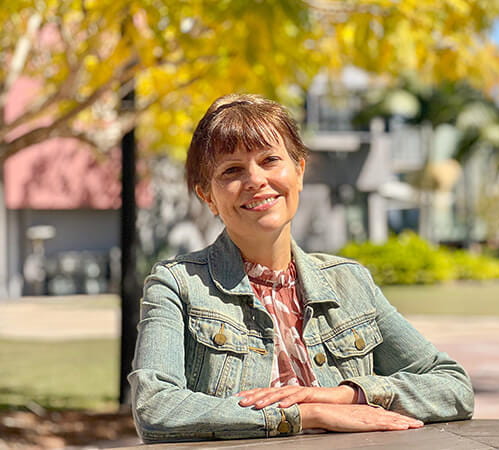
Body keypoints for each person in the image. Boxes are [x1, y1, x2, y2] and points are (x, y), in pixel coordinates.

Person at [128, 93, 474, 443]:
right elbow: (156, 408)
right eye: (232, 170)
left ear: (299, 171)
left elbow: (453, 385)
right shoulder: (177, 285)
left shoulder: (348, 282)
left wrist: (346, 395)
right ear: (207, 196)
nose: (255, 180)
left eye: (270, 160)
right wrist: (306, 414)